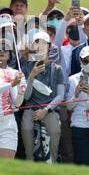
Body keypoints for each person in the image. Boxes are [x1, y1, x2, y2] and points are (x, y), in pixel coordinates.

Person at [22, 31, 64, 163]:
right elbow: (26, 96)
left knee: (54, 130)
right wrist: (31, 76)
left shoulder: (57, 69)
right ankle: (30, 162)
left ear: (49, 46)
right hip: (31, 108)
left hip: (49, 109)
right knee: (26, 128)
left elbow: (60, 95)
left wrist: (46, 109)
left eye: (43, 43)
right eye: (37, 43)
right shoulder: (27, 67)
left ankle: (53, 162)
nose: (40, 46)